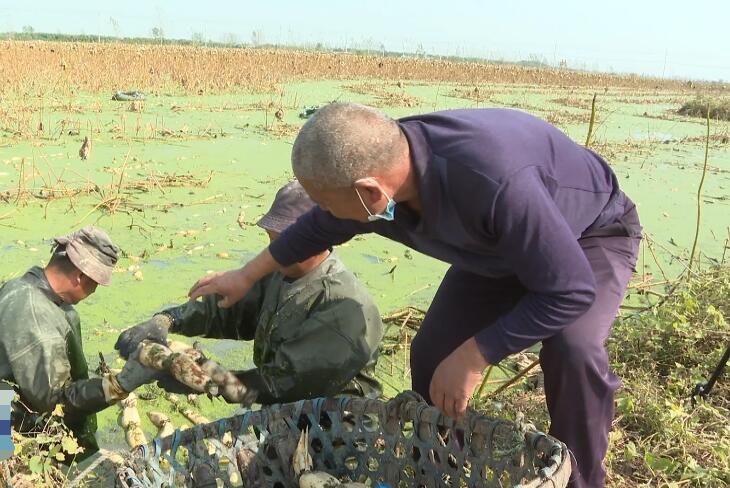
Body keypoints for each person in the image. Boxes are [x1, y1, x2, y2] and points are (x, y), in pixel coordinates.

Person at [186, 103, 642, 488]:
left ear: (370, 191)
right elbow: (316, 227)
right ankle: (448, 463)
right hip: (496, 250)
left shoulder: (494, 181)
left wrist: (477, 354)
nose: (326, 213)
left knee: (572, 347)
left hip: (587, 235)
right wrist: (246, 276)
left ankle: (582, 479)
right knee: (430, 355)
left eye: (327, 201)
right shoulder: (381, 171)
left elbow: (571, 289)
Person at [115, 181, 384, 404]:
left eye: (281, 242)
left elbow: (285, 384)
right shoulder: (280, 273)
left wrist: (212, 378)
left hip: (336, 430)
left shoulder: (341, 306)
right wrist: (169, 320)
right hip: (284, 419)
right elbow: (229, 311)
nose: (273, 253)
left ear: (314, 236)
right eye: (271, 241)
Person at [0, 226, 158, 459]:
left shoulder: (24, 286)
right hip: (8, 424)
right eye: (96, 282)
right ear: (81, 275)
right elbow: (58, 402)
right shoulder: (37, 320)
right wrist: (120, 384)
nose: (94, 291)